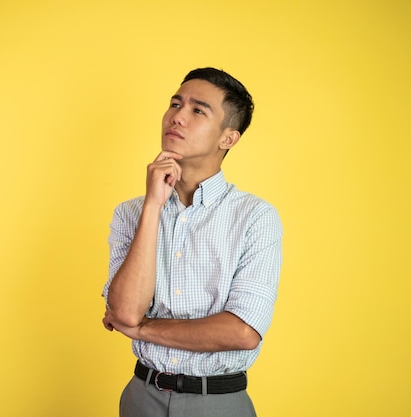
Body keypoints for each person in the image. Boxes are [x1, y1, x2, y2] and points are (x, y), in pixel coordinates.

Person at [102, 67, 283, 417]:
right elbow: (124, 310)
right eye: (175, 104)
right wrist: (153, 205)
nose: (177, 117)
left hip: (217, 404)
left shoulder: (255, 217)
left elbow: (243, 332)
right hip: (141, 398)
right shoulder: (130, 213)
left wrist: (141, 329)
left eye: (198, 110)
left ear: (228, 138)